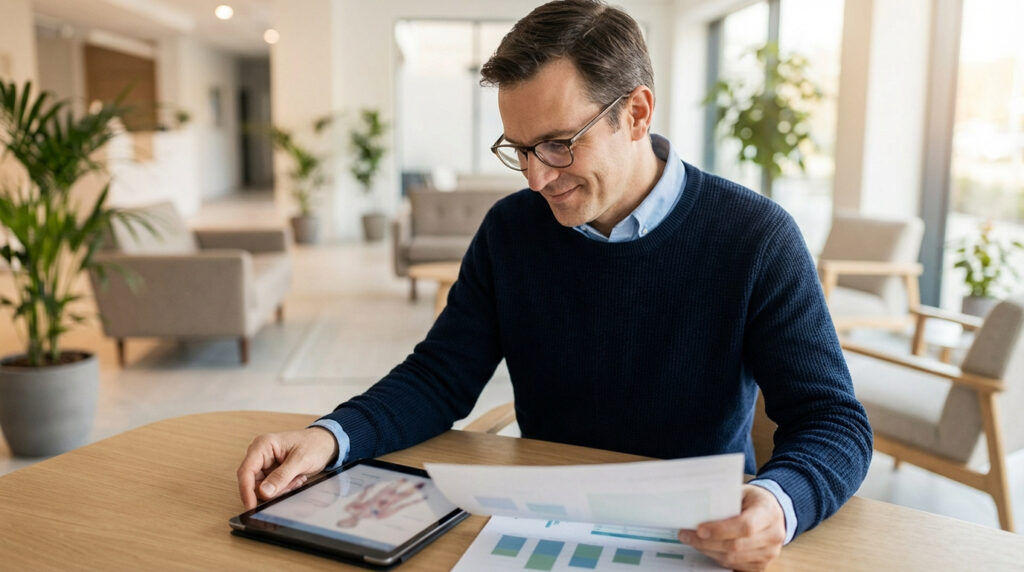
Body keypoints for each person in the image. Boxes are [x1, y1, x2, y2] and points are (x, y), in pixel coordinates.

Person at [237, 1, 872, 569]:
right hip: (543, 523)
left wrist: (778, 502)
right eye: (519, 149)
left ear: (636, 113)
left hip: (697, 536)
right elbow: (439, 376)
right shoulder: (511, 230)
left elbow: (832, 420)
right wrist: (330, 436)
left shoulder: (756, 237)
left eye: (559, 144)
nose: (537, 179)